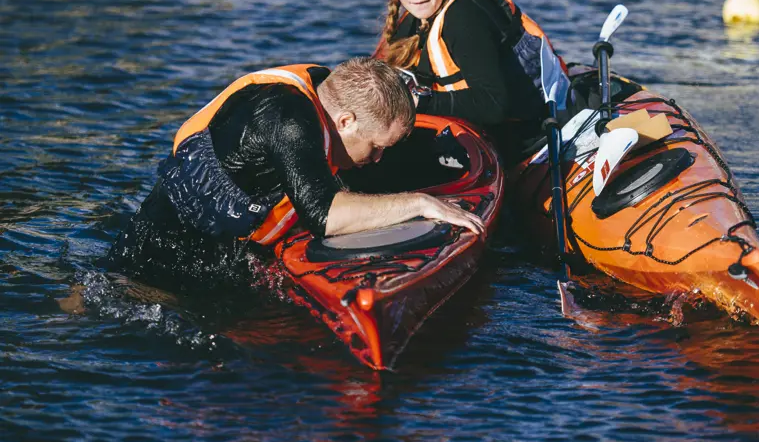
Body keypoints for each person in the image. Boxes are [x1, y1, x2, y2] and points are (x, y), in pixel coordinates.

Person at [105, 57, 484, 293]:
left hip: (226, 241)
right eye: (377, 146)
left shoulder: (324, 87)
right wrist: (420, 203)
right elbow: (325, 217)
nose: (380, 157)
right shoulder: (289, 122)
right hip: (161, 262)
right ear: (346, 121)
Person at [372, 0, 567, 164]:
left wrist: (418, 100)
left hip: (521, 136)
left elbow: (493, 105)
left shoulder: (464, 17)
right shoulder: (416, 17)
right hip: (474, 130)